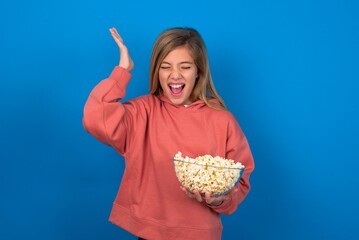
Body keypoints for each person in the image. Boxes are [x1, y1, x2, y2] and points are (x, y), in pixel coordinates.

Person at [83, 26, 255, 240]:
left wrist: (220, 198)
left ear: (198, 71)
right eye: (165, 67)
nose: (175, 74)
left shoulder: (222, 120)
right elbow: (95, 117)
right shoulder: (142, 113)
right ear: (157, 71)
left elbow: (240, 176)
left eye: (185, 66)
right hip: (150, 233)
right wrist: (123, 70)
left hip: (200, 234)